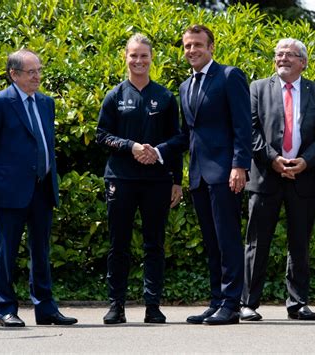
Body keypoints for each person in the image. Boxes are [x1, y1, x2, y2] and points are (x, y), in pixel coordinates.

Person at [154, 24, 252, 325]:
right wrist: (158, 151)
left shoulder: (229, 76)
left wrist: (239, 165)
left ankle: (232, 304)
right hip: (197, 175)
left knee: (228, 240)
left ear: (211, 47)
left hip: (225, 173)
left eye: (197, 45)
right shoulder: (185, 87)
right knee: (211, 242)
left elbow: (242, 125)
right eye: (187, 46)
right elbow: (187, 135)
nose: (192, 50)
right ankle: (216, 300)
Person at [0, 49, 77, 327]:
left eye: (39, 70)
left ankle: (45, 308)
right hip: (11, 189)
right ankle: (6, 309)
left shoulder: (46, 102)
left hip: (43, 188)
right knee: (7, 251)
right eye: (31, 72)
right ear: (14, 74)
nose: (37, 76)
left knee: (41, 250)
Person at [239, 38, 315, 321]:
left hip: (305, 176)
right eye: (279, 54)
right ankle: (248, 303)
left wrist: (306, 161)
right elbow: (250, 129)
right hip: (267, 176)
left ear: (303, 62)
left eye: (290, 55)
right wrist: (273, 159)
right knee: (257, 242)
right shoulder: (257, 89)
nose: (283, 59)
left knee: (300, 242)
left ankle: (298, 302)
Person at [96, 34, 183, 324]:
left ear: (151, 58)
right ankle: (116, 305)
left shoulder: (166, 97)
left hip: (157, 181)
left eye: (144, 55)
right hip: (120, 179)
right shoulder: (115, 96)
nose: (139, 61)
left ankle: (152, 306)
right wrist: (130, 146)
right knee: (118, 244)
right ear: (125, 57)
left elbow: (179, 139)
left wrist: (175, 178)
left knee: (154, 244)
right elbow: (101, 135)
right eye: (133, 55)